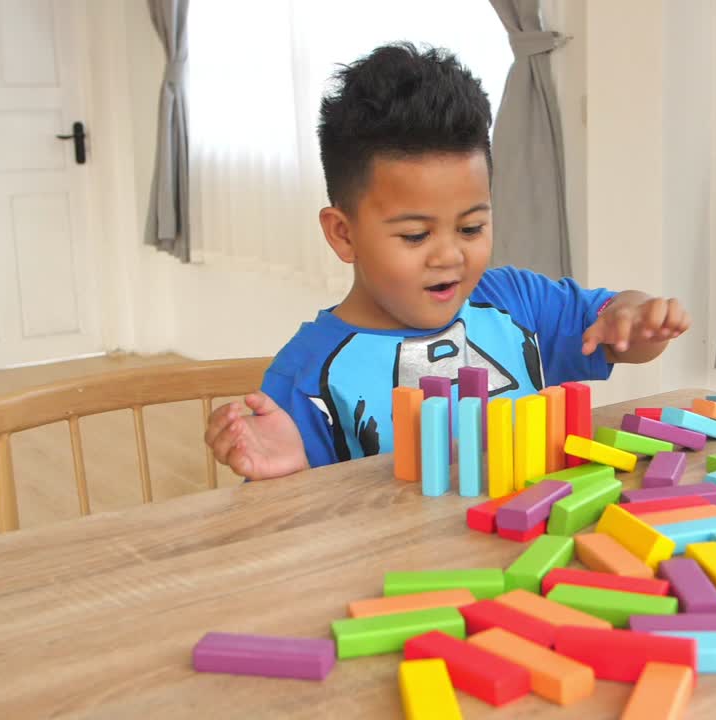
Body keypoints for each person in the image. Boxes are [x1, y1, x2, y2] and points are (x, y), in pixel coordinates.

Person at [205, 43, 690, 480]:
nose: (449, 255)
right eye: (416, 235)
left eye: (471, 228)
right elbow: (290, 519)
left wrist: (637, 316)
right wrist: (286, 472)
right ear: (343, 233)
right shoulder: (309, 371)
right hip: (405, 573)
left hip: (531, 559)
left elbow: (618, 338)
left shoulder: (519, 303)